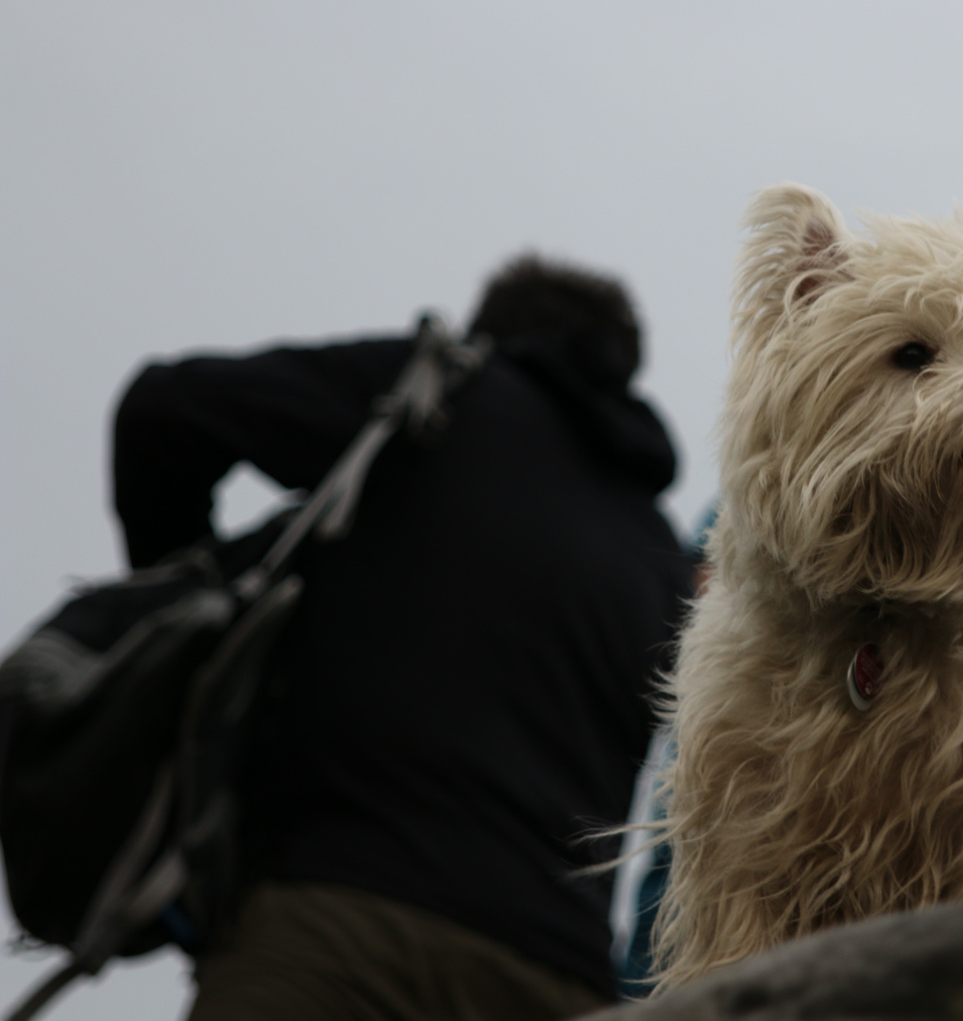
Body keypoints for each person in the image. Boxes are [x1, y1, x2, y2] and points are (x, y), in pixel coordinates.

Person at [112, 256, 692, 1020]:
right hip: (556, 982)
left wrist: (189, 616)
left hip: (338, 932)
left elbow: (166, 406)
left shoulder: (437, 396)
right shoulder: (661, 561)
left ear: (492, 332)